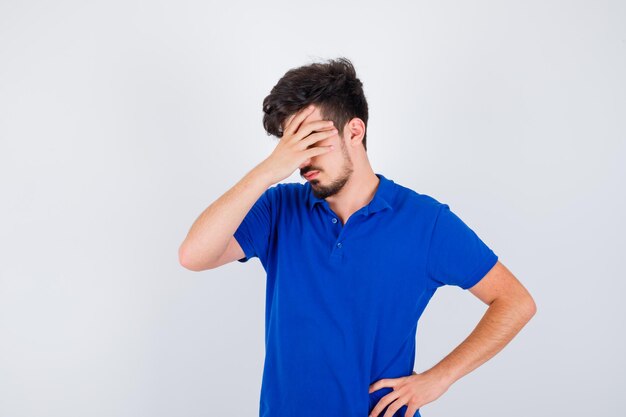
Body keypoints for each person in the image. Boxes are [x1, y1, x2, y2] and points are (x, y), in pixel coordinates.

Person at [178, 57, 536, 417]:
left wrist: (438, 379)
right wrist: (267, 171)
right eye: (291, 145)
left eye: (312, 140)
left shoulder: (425, 222)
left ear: (355, 131)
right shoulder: (278, 208)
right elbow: (194, 255)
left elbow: (514, 301)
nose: (302, 160)